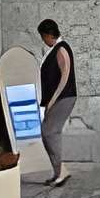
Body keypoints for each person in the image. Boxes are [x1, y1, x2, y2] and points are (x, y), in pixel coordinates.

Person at [37, 18, 77, 188]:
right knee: (48, 132)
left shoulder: (61, 49)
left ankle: (60, 172)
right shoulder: (56, 49)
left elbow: (65, 76)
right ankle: (59, 171)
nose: (43, 41)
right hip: (59, 98)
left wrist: (52, 100)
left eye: (42, 37)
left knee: (50, 132)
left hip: (64, 97)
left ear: (48, 34)